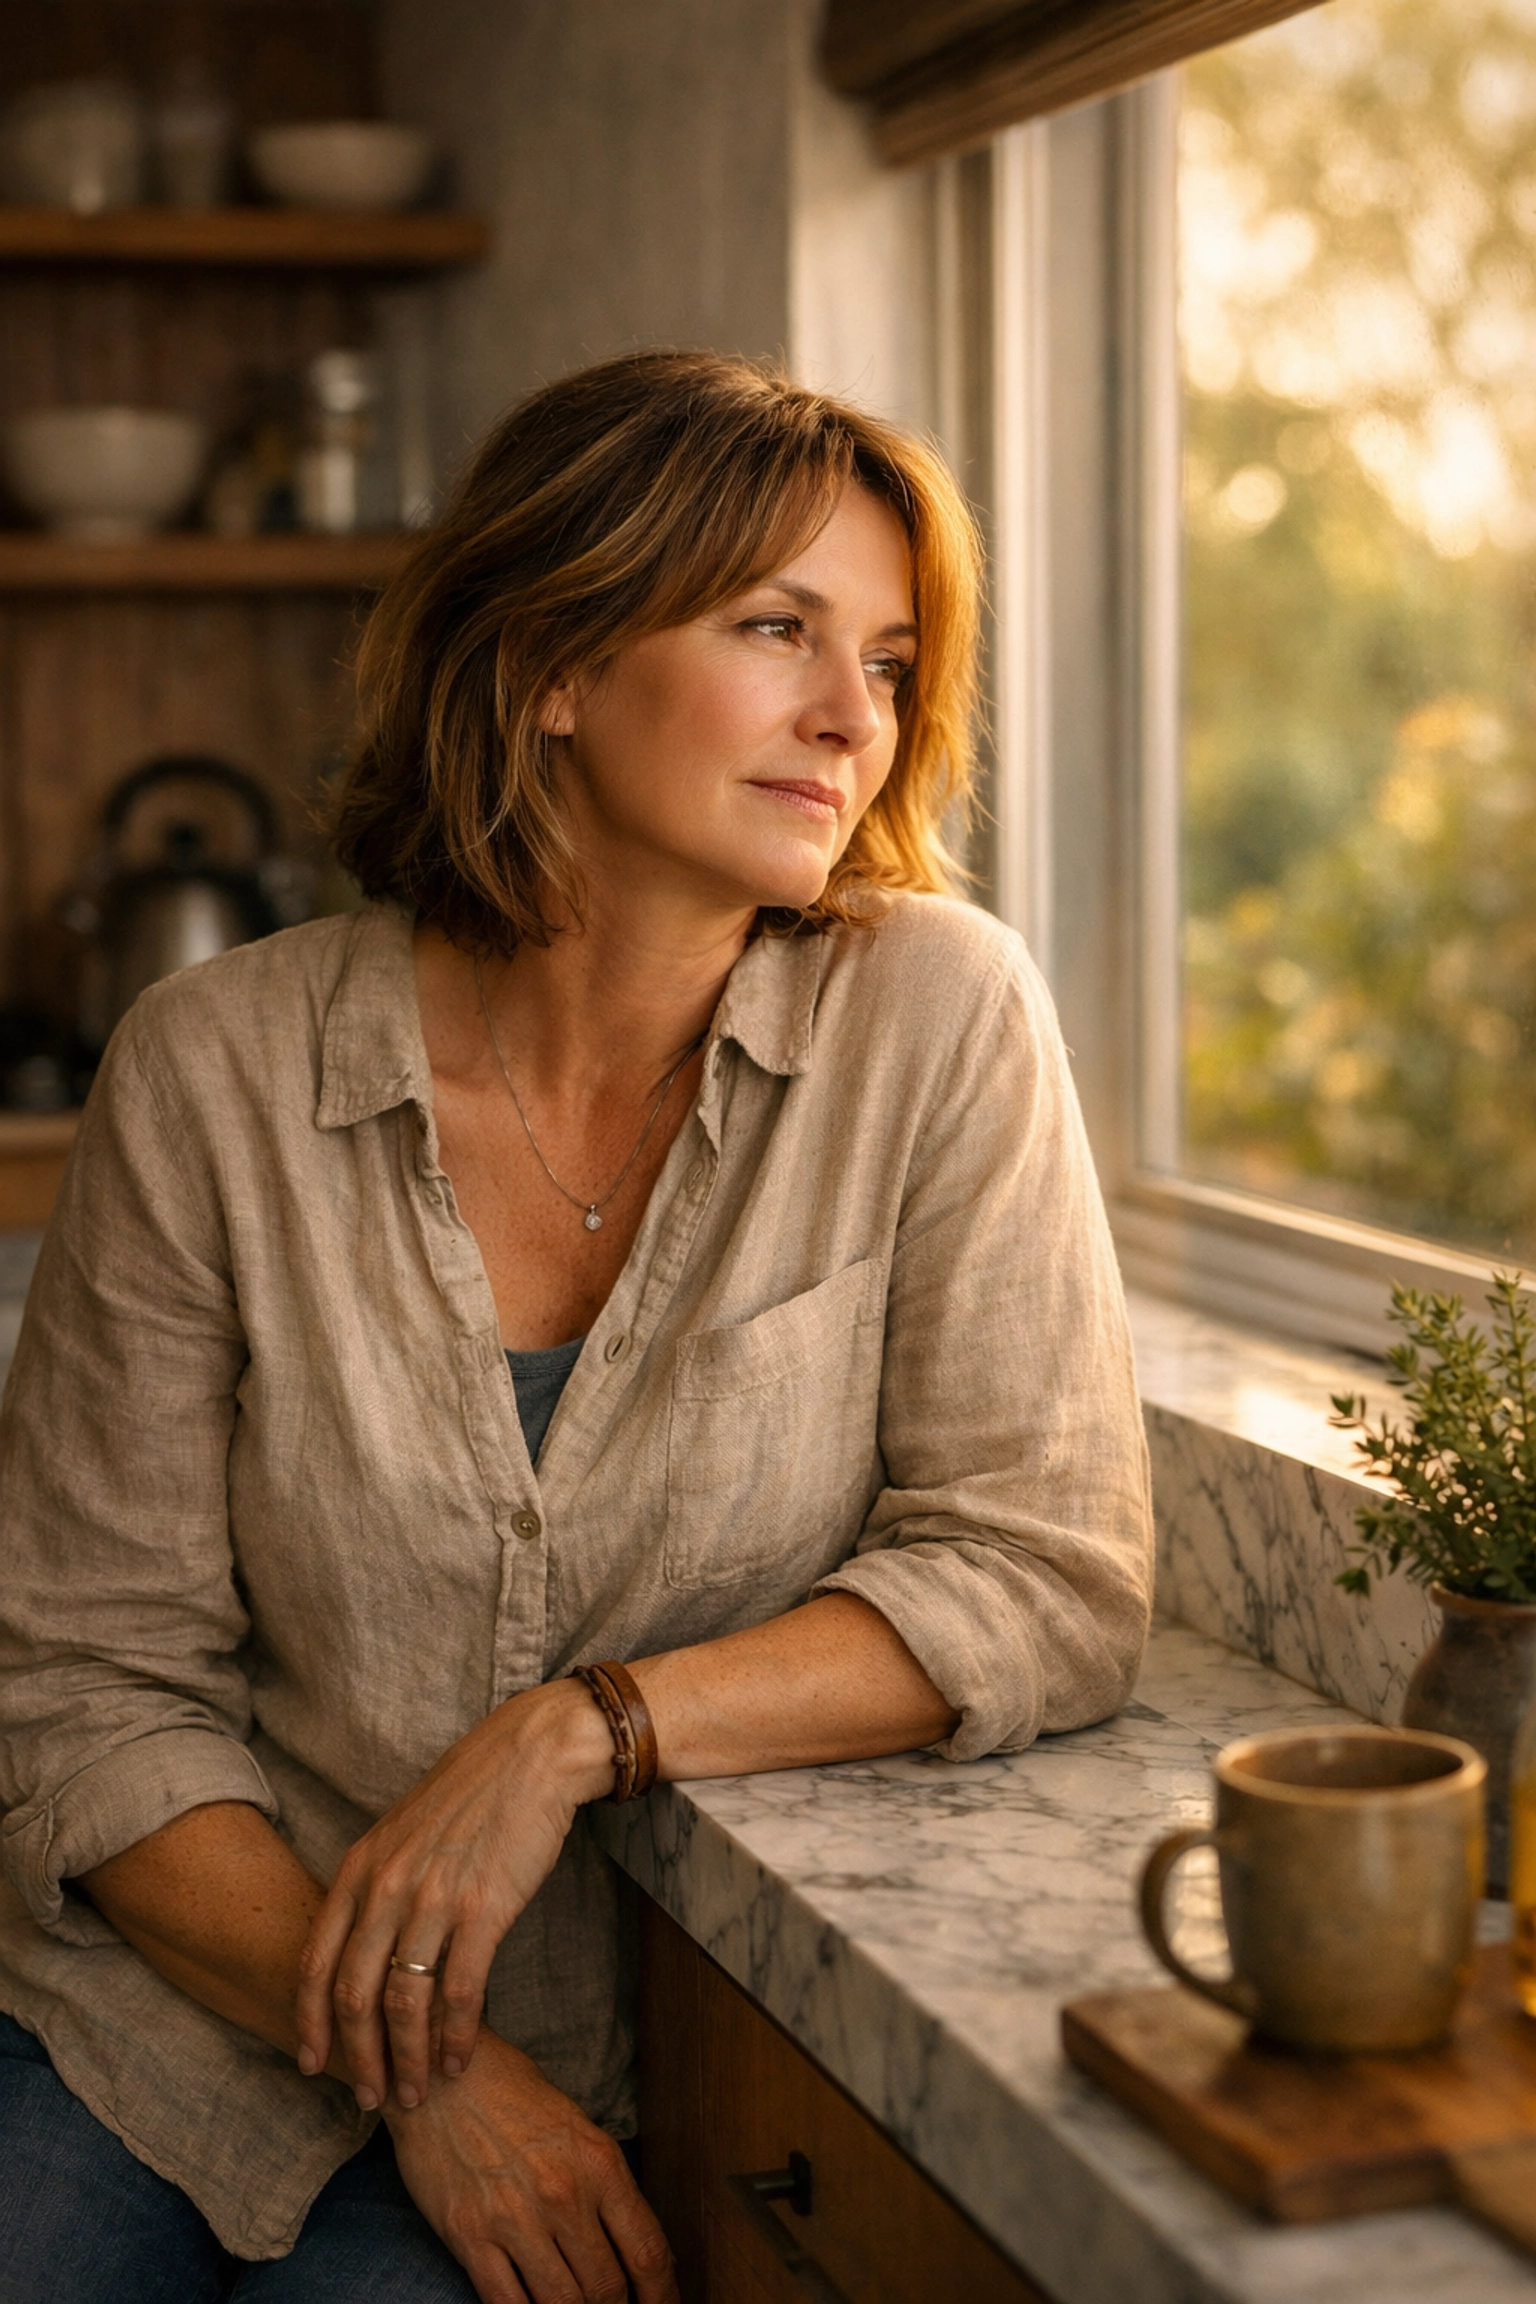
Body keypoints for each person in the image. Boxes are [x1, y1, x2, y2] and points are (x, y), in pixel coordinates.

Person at [0, 350, 1153, 2304]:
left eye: (883, 661)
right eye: (775, 630)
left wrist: (572, 1736)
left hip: (624, 2077)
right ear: (551, 662)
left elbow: (1046, 1571)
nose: (846, 718)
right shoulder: (214, 1065)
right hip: (176, 2019)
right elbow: (84, 1685)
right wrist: (424, 2071)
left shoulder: (940, 1017)